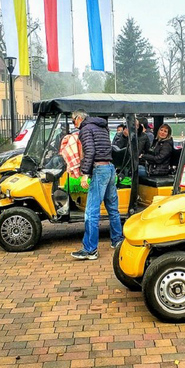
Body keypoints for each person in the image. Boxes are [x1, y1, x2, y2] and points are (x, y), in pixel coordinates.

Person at [70, 111, 123, 260]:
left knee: (91, 212)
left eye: (74, 121)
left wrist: (85, 174)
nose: (74, 125)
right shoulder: (102, 127)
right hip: (110, 168)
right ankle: (117, 240)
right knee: (113, 209)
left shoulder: (85, 129)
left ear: (79, 118)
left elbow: (90, 151)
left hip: (99, 170)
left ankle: (90, 250)